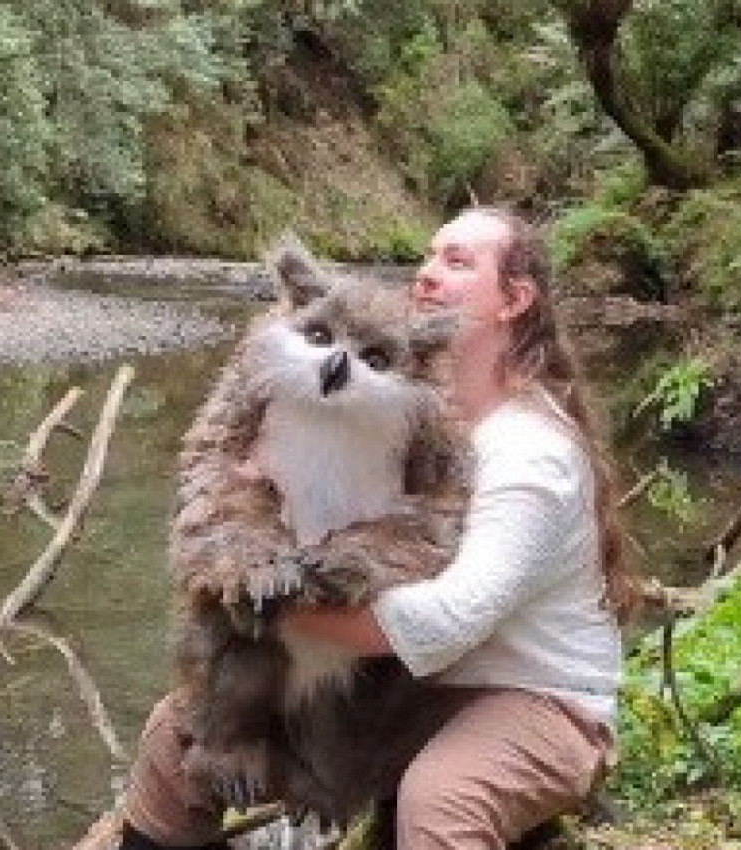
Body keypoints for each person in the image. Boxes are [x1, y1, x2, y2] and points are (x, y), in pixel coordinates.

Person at [116, 207, 637, 850]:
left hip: (531, 697)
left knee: (442, 797)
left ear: (515, 300)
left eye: (458, 262)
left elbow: (444, 623)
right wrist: (238, 542)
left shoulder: (533, 452)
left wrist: (268, 605)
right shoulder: (408, 407)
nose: (427, 274)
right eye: (429, 255)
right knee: (177, 739)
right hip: (411, 684)